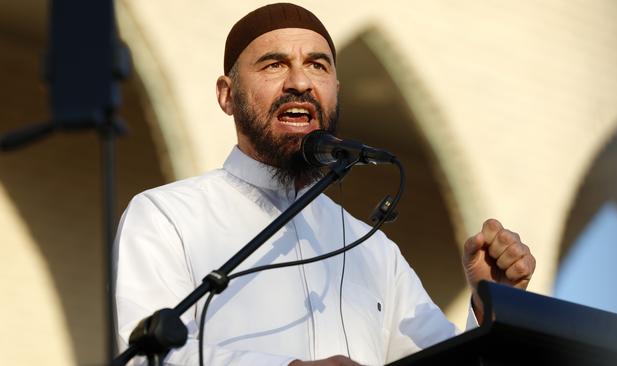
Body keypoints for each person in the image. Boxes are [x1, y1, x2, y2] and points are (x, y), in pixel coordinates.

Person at [114, 3, 536, 365]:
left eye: (317, 65)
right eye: (274, 64)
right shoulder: (168, 216)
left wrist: (491, 305)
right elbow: (152, 357)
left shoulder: (374, 252)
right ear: (227, 94)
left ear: (335, 90)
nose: (300, 82)